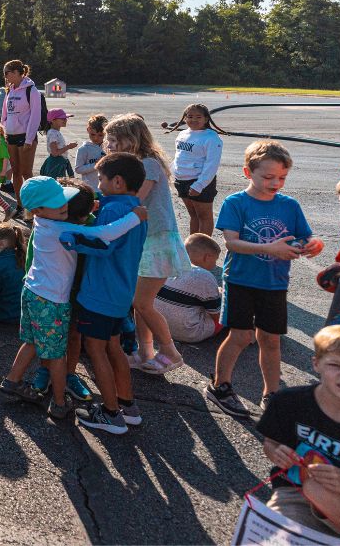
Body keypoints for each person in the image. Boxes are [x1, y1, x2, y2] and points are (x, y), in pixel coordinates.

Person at [0, 177, 146, 419]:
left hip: (33, 292)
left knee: (32, 342)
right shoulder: (60, 229)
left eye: (64, 199)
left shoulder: (43, 222)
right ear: (38, 209)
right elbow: (104, 234)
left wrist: (93, 206)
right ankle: (59, 403)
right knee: (58, 355)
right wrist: (135, 217)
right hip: (51, 301)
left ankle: (12, 381)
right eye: (56, 203)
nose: (63, 205)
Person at [207, 140, 324, 417]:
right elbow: (232, 243)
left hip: (274, 283)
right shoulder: (236, 203)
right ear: (248, 172)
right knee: (241, 336)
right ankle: (220, 386)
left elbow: (304, 237)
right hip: (240, 281)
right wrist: (270, 249)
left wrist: (313, 245)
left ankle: (271, 393)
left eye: (282, 178)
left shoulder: (290, 205)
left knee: (271, 340)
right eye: (269, 177)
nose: (276, 183)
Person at [63, 152, 149, 436]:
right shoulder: (136, 209)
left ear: (118, 182)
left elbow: (102, 243)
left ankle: (111, 413)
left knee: (96, 349)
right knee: (114, 347)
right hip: (121, 293)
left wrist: (70, 238)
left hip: (100, 293)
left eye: (101, 179)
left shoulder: (113, 212)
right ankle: (128, 406)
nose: (98, 184)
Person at [257, 325, 340, 541]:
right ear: (316, 363)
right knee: (271, 537)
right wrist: (276, 452)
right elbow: (270, 443)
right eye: (335, 364)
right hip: (294, 495)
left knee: (317, 490)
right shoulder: (289, 402)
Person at [104, 113, 190, 375]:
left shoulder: (148, 164)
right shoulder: (138, 164)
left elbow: (134, 200)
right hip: (145, 240)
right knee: (139, 302)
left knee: (142, 303)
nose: (109, 145)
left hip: (157, 240)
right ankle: (145, 352)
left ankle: (171, 352)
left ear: (130, 139)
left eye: (114, 140)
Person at [164, 103, 225, 236]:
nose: (194, 120)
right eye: (190, 116)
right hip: (181, 181)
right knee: (193, 215)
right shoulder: (182, 134)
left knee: (204, 216)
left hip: (199, 181)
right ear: (185, 118)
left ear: (206, 119)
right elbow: (179, 157)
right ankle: (193, 245)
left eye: (198, 117)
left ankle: (204, 245)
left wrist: (199, 185)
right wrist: (169, 172)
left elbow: (212, 164)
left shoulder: (211, 137)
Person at [153, 233, 224, 343]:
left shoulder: (169, 264)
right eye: (215, 260)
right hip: (190, 333)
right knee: (227, 309)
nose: (215, 265)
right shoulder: (205, 276)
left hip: (158, 327)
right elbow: (217, 316)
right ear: (207, 257)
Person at [0, 59, 42, 207]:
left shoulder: (32, 90)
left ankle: (34, 206)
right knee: (16, 173)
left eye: (7, 73)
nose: (5, 76)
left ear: (17, 72)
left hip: (25, 137)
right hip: (10, 136)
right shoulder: (9, 90)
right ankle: (20, 205)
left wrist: (29, 139)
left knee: (26, 173)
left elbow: (35, 116)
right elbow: (4, 114)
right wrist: (5, 129)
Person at [39, 108, 77, 178]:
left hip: (59, 161)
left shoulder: (55, 132)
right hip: (56, 163)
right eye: (62, 118)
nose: (65, 120)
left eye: (65, 118)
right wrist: (68, 147)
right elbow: (55, 153)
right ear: (53, 120)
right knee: (57, 182)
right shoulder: (53, 133)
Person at [75, 114, 107, 192]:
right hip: (92, 189)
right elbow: (78, 169)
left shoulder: (109, 147)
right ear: (88, 130)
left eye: (100, 135)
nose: (96, 138)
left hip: (107, 189)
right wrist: (95, 165)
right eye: (92, 134)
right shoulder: (84, 149)